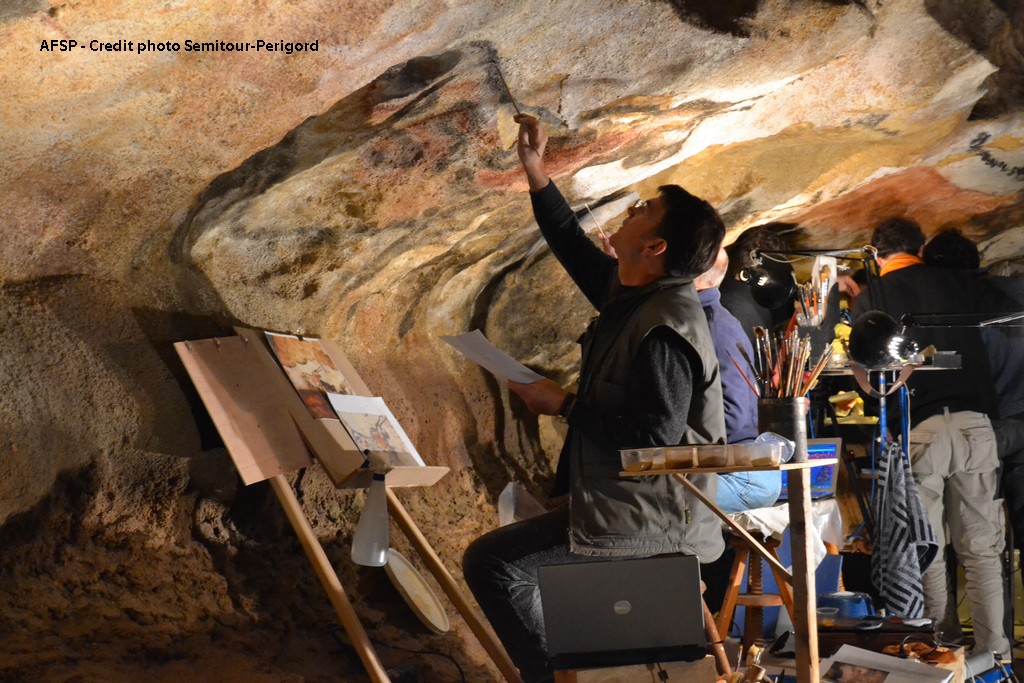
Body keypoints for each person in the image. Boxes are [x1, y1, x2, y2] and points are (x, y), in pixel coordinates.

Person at [462, 114, 727, 683]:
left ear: (654, 246)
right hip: (635, 509)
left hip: (654, 521)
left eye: (644, 211)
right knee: (508, 564)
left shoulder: (664, 325)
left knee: (494, 565)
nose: (630, 211)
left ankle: (556, 678)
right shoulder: (635, 295)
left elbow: (654, 437)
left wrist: (561, 404)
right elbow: (571, 245)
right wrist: (535, 170)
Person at [851, 217, 1012, 661]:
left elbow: (868, 373)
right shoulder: (954, 282)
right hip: (974, 423)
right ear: (920, 248)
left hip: (919, 428)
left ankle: (939, 651)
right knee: (981, 549)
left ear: (876, 254)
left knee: (928, 545)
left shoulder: (873, 296)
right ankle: (995, 655)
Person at [694, 247, 780, 511]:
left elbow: (735, 417)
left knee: (643, 502)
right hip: (740, 465)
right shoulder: (703, 320)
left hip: (743, 475)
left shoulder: (715, 326)